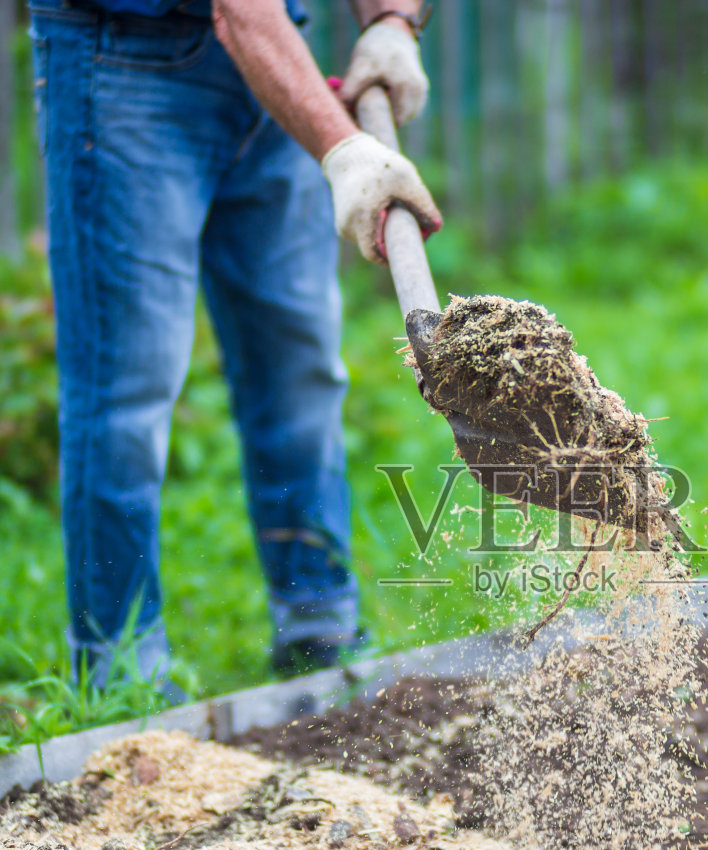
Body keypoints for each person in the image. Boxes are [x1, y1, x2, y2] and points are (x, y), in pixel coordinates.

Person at [30, 0, 441, 698]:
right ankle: (120, 668)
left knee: (299, 365)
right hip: (123, 58)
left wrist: (392, 22)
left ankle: (317, 623)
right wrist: (341, 149)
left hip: (277, 59)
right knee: (126, 387)